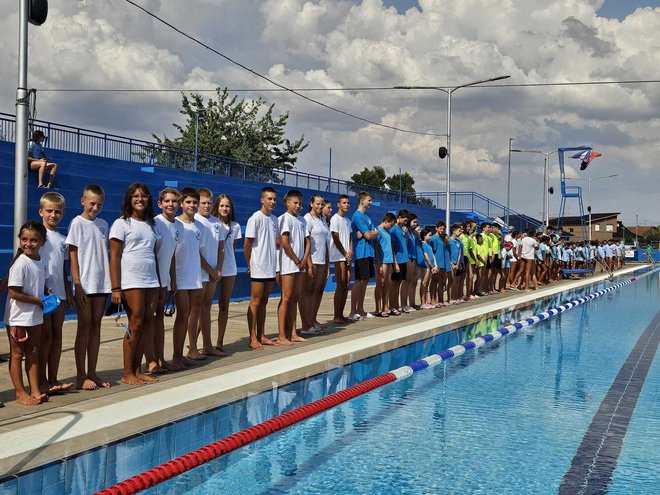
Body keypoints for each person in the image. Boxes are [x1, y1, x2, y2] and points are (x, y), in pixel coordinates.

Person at [109, 183, 161, 386]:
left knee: (147, 324)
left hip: (151, 279)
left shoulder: (151, 224)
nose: (140, 199)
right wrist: (116, 287)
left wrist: (158, 282)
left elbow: (153, 254)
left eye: (143, 196)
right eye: (135, 196)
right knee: (135, 323)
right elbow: (114, 256)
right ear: (129, 199)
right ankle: (127, 372)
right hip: (132, 279)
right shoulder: (121, 223)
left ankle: (138, 369)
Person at [66, 184, 112, 390]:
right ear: (83, 201)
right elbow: (73, 255)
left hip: (101, 283)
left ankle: (93, 371)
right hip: (85, 282)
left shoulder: (103, 224)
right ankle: (80, 374)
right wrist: (77, 283)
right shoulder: (77, 223)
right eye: (92, 203)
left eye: (99, 204)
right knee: (84, 327)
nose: (95, 208)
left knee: (96, 327)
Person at [6, 221, 49, 405]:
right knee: (17, 353)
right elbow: (14, 292)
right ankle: (19, 392)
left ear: (42, 242)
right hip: (18, 316)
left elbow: (40, 283)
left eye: (33, 240)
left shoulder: (41, 260)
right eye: (24, 239)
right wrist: (37, 300)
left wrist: (45, 292)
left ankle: (35, 389)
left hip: (34, 314)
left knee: (33, 351)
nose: (28, 244)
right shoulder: (20, 264)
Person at [38, 192, 74, 394]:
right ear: (41, 211)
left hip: (58, 294)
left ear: (63, 214)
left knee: (57, 336)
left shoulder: (62, 239)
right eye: (49, 211)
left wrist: (68, 292)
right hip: (42, 295)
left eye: (57, 212)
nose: (53, 215)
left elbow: (62, 269)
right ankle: (41, 380)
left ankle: (53, 378)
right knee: (45, 337)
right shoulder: (36, 235)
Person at [171, 187, 211, 369]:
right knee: (182, 315)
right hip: (179, 277)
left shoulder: (200, 227)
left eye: (195, 202)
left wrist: (207, 272)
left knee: (191, 313)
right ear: (181, 203)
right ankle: (176, 356)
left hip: (194, 277)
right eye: (188, 202)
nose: (192, 205)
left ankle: (189, 350)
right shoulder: (175, 224)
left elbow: (198, 252)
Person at [149, 187, 181, 373]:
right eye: (167, 201)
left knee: (159, 320)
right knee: (150, 321)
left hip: (165, 280)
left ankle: (160, 357)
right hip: (153, 281)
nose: (171, 204)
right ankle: (150, 360)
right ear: (160, 204)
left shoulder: (177, 226)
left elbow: (172, 255)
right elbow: (152, 254)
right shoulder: (155, 223)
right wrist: (158, 280)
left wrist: (172, 280)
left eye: (174, 201)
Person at [244, 187, 279, 349]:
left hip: (270, 266)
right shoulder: (255, 218)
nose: (272, 202)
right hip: (258, 266)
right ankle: (252, 337)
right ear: (262, 200)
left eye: (274, 199)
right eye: (269, 199)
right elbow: (248, 243)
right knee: (255, 302)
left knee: (264, 302)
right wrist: (249, 262)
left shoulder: (274, 220)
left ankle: (261, 334)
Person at [193, 188, 225, 358]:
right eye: (203, 203)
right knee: (196, 309)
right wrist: (211, 270)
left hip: (213, 272)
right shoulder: (195, 221)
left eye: (209, 203)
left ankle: (207, 345)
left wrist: (218, 268)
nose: (206, 206)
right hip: (200, 272)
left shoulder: (216, 222)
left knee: (206, 308)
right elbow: (195, 252)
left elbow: (221, 248)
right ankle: (192, 347)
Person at [276, 190, 309, 345]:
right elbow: (284, 242)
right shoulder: (284, 219)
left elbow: (307, 241)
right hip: (288, 264)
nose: (297, 206)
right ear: (287, 202)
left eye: (300, 203)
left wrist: (304, 260)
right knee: (286, 298)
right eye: (295, 203)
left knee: (295, 298)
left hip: (299, 264)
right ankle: (282, 335)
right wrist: (296, 260)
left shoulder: (302, 220)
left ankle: (293, 332)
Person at [211, 194, 242, 354]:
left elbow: (231, 247)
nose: (224, 208)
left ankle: (219, 341)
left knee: (224, 305)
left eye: (227, 206)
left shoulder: (235, 226)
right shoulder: (212, 223)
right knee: (204, 305)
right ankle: (197, 341)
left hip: (229, 268)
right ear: (217, 207)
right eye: (222, 205)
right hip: (212, 268)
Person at [300, 194, 330, 335]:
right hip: (312, 261)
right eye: (317, 204)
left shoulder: (323, 220)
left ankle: (312, 320)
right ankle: (306, 324)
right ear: (311, 204)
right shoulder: (307, 219)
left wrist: (327, 264)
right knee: (307, 292)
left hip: (322, 261)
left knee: (316, 292)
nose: (320, 206)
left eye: (322, 204)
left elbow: (325, 243)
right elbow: (307, 243)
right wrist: (309, 264)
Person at [349, 192, 378, 321]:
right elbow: (369, 235)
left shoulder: (367, 217)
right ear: (362, 201)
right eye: (369, 200)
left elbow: (375, 232)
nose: (371, 203)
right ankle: (353, 311)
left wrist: (371, 233)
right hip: (361, 253)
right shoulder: (357, 216)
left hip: (369, 252)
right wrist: (371, 233)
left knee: (365, 282)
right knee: (359, 282)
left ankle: (361, 309)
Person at [329, 194, 352, 324]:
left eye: (348, 203)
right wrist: (344, 252)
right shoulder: (335, 219)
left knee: (346, 285)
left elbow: (349, 238)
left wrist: (351, 251)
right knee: (341, 284)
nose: (346, 205)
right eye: (344, 203)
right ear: (338, 204)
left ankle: (341, 314)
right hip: (338, 256)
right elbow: (335, 237)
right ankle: (336, 315)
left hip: (346, 255)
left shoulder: (347, 221)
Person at [374, 213, 397, 317]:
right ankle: (378, 308)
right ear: (386, 221)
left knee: (387, 284)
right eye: (391, 225)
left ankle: (385, 306)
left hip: (388, 260)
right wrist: (378, 264)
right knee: (380, 284)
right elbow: (376, 249)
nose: (391, 227)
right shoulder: (378, 231)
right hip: (382, 261)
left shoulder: (387, 232)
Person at [389, 210, 409, 315]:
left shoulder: (402, 229)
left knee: (398, 283)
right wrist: (395, 262)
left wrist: (405, 234)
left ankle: (396, 305)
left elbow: (405, 243)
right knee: (394, 284)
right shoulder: (393, 230)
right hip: (397, 260)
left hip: (403, 259)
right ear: (399, 217)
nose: (405, 223)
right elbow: (392, 246)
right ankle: (392, 305)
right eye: (404, 220)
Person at [428, 221, 447, 307]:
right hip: (437, 263)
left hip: (442, 263)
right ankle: (433, 300)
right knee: (434, 281)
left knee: (442, 282)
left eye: (443, 229)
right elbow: (432, 252)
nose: (442, 230)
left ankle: (440, 300)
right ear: (436, 228)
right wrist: (434, 265)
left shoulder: (441, 239)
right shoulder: (434, 239)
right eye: (440, 229)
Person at [419, 229, 438, 309]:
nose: (430, 237)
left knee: (426, 284)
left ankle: (426, 301)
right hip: (426, 266)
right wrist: (432, 266)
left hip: (430, 266)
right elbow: (427, 257)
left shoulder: (429, 245)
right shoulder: (423, 244)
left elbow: (433, 256)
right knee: (424, 283)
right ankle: (423, 302)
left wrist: (435, 265)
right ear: (424, 236)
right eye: (429, 235)